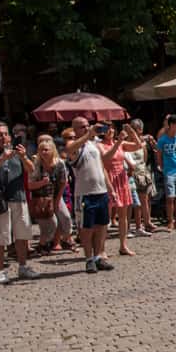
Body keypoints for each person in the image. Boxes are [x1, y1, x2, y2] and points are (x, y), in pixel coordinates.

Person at [0, 121, 39, 282]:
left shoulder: (16, 151)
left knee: (22, 234)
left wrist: (23, 156)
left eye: (6, 134)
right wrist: (1, 159)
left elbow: (31, 170)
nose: (4, 137)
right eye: (0, 134)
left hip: (17, 196)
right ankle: (0, 271)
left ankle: (23, 267)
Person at [66, 117, 114, 274]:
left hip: (101, 191)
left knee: (102, 225)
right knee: (86, 228)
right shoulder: (76, 146)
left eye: (88, 126)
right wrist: (87, 136)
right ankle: (88, 259)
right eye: (82, 127)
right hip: (85, 194)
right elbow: (69, 149)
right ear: (75, 129)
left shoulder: (93, 145)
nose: (86, 129)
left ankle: (99, 256)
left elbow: (102, 167)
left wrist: (110, 187)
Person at [99, 124, 143, 256]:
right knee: (105, 216)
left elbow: (138, 145)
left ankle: (123, 245)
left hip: (121, 178)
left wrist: (132, 132)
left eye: (112, 128)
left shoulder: (121, 143)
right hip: (108, 179)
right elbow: (106, 158)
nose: (110, 131)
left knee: (123, 215)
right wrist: (118, 142)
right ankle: (101, 248)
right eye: (107, 129)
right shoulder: (99, 145)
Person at [27, 138, 69, 254]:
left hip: (55, 196)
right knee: (50, 224)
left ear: (53, 150)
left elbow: (63, 182)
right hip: (41, 198)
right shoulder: (35, 164)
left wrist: (57, 201)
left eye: (46, 150)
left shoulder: (60, 163)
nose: (43, 152)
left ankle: (65, 239)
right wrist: (42, 183)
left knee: (66, 218)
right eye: (41, 150)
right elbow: (29, 185)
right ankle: (43, 245)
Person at [127, 119, 156, 236]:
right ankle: (132, 226)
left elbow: (144, 158)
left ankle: (145, 223)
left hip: (142, 173)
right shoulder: (127, 143)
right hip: (131, 174)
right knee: (133, 203)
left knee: (144, 200)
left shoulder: (142, 143)